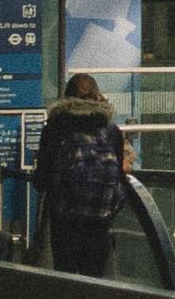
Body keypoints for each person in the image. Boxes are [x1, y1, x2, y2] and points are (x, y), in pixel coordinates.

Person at [33, 69, 129, 276]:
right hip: (100, 223)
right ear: (97, 95)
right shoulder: (111, 131)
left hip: (65, 223)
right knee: (93, 281)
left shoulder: (55, 128)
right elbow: (121, 179)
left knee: (66, 280)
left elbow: (42, 180)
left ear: (66, 97)